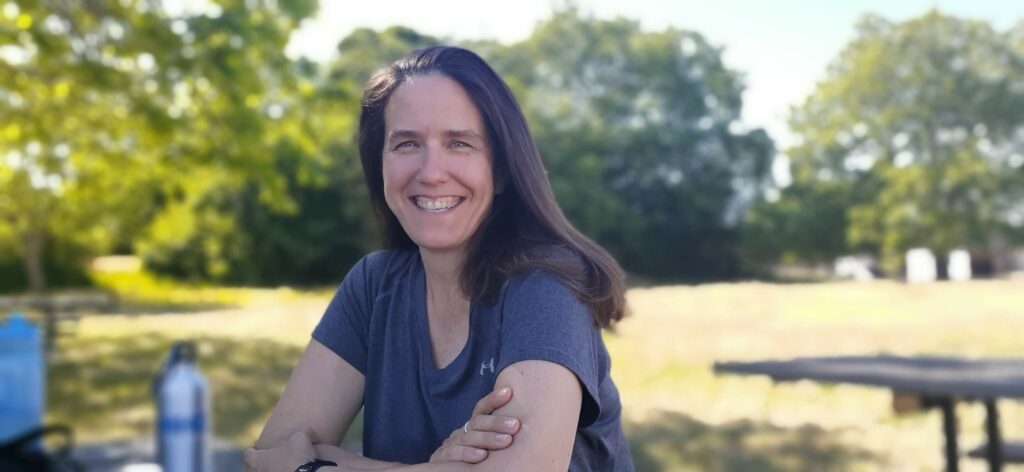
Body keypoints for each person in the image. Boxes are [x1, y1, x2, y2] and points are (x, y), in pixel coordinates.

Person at [246, 45, 634, 472]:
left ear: (501, 169)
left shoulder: (545, 286)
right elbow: (266, 458)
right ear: (380, 166)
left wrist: (317, 467)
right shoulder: (373, 286)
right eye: (407, 143)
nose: (431, 171)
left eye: (459, 144)